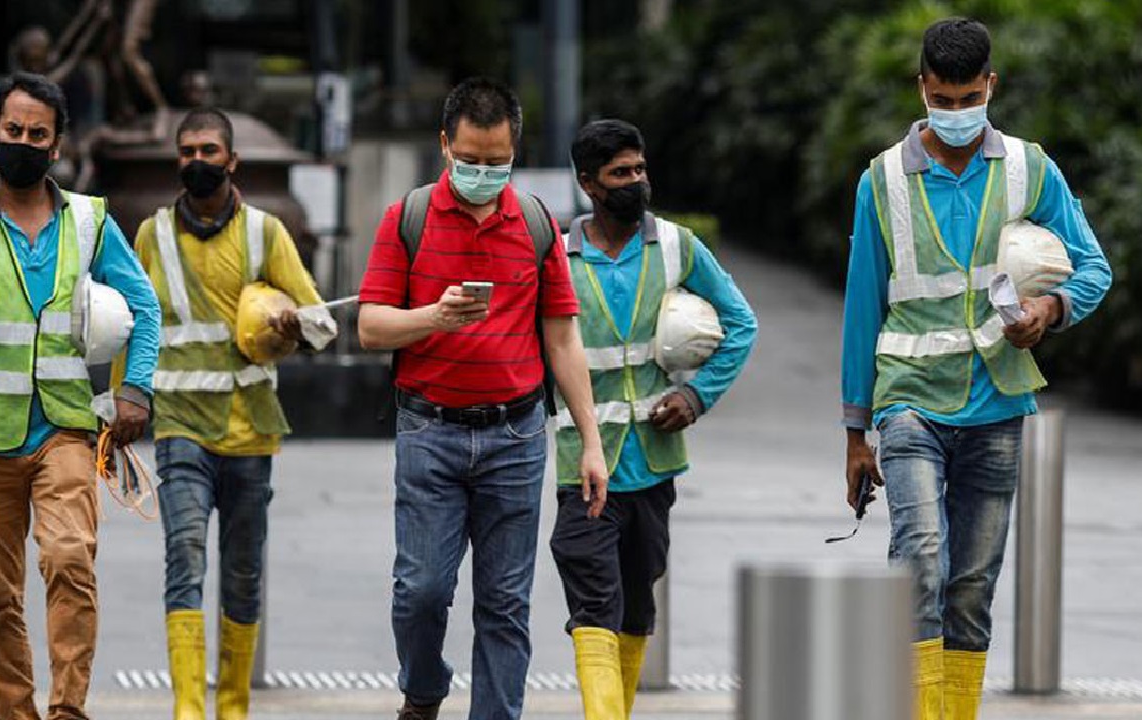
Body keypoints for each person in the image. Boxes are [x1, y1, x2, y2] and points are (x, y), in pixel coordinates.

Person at [840, 18, 1112, 720]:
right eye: (944, 99)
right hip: (908, 404)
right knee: (921, 559)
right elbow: (862, 309)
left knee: (969, 586)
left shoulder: (1030, 169)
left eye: (969, 98)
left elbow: (1093, 268)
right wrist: (854, 432)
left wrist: (1048, 311)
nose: (957, 113)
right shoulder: (883, 182)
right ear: (921, 87)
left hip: (997, 405)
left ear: (991, 85)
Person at [357, 77, 608, 720]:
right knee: (421, 591)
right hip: (429, 431)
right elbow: (370, 326)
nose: (483, 173)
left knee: (504, 604)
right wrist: (433, 318)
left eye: (497, 162)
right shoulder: (406, 217)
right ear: (445, 146)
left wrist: (590, 443)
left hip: (517, 437)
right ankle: (424, 686)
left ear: (514, 152)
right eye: (470, 160)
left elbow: (562, 340)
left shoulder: (534, 224)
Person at [0, 72, 160, 720]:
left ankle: (69, 711)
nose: (23, 141)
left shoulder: (90, 220)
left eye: (37, 135)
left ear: (57, 147)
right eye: (13, 131)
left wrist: (134, 388)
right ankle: (17, 712)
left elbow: (144, 306)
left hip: (64, 429)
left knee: (69, 558)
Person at [112, 106, 335, 720]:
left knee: (241, 576)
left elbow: (324, 322)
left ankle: (232, 707)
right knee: (183, 555)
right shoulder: (152, 236)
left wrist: (294, 322)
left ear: (232, 161)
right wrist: (121, 406)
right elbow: (133, 326)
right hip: (181, 427)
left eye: (210, 151)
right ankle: (189, 709)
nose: (198, 161)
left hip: (251, 434)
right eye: (188, 152)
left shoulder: (267, 234)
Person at [551, 119, 758, 718]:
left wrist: (696, 397)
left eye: (640, 170)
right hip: (582, 464)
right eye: (621, 174)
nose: (636, 182)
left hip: (653, 464)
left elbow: (741, 324)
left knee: (637, 606)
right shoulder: (558, 258)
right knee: (592, 602)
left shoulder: (676, 247)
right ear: (589, 184)